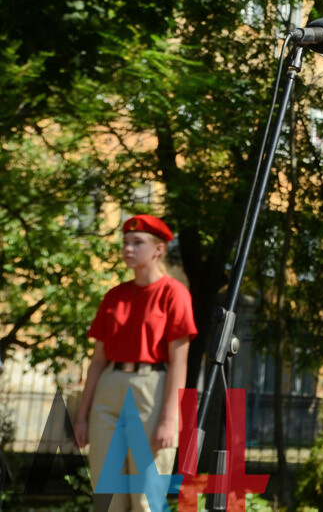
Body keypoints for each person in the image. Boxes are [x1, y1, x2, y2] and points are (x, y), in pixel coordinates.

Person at [74, 214, 197, 512]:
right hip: (109, 388)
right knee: (108, 496)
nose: (128, 248)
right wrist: (82, 415)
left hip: (151, 390)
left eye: (137, 242)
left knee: (146, 496)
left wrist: (171, 419)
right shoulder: (114, 296)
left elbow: (180, 363)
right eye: (126, 242)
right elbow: (98, 360)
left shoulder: (174, 294)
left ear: (158, 250)